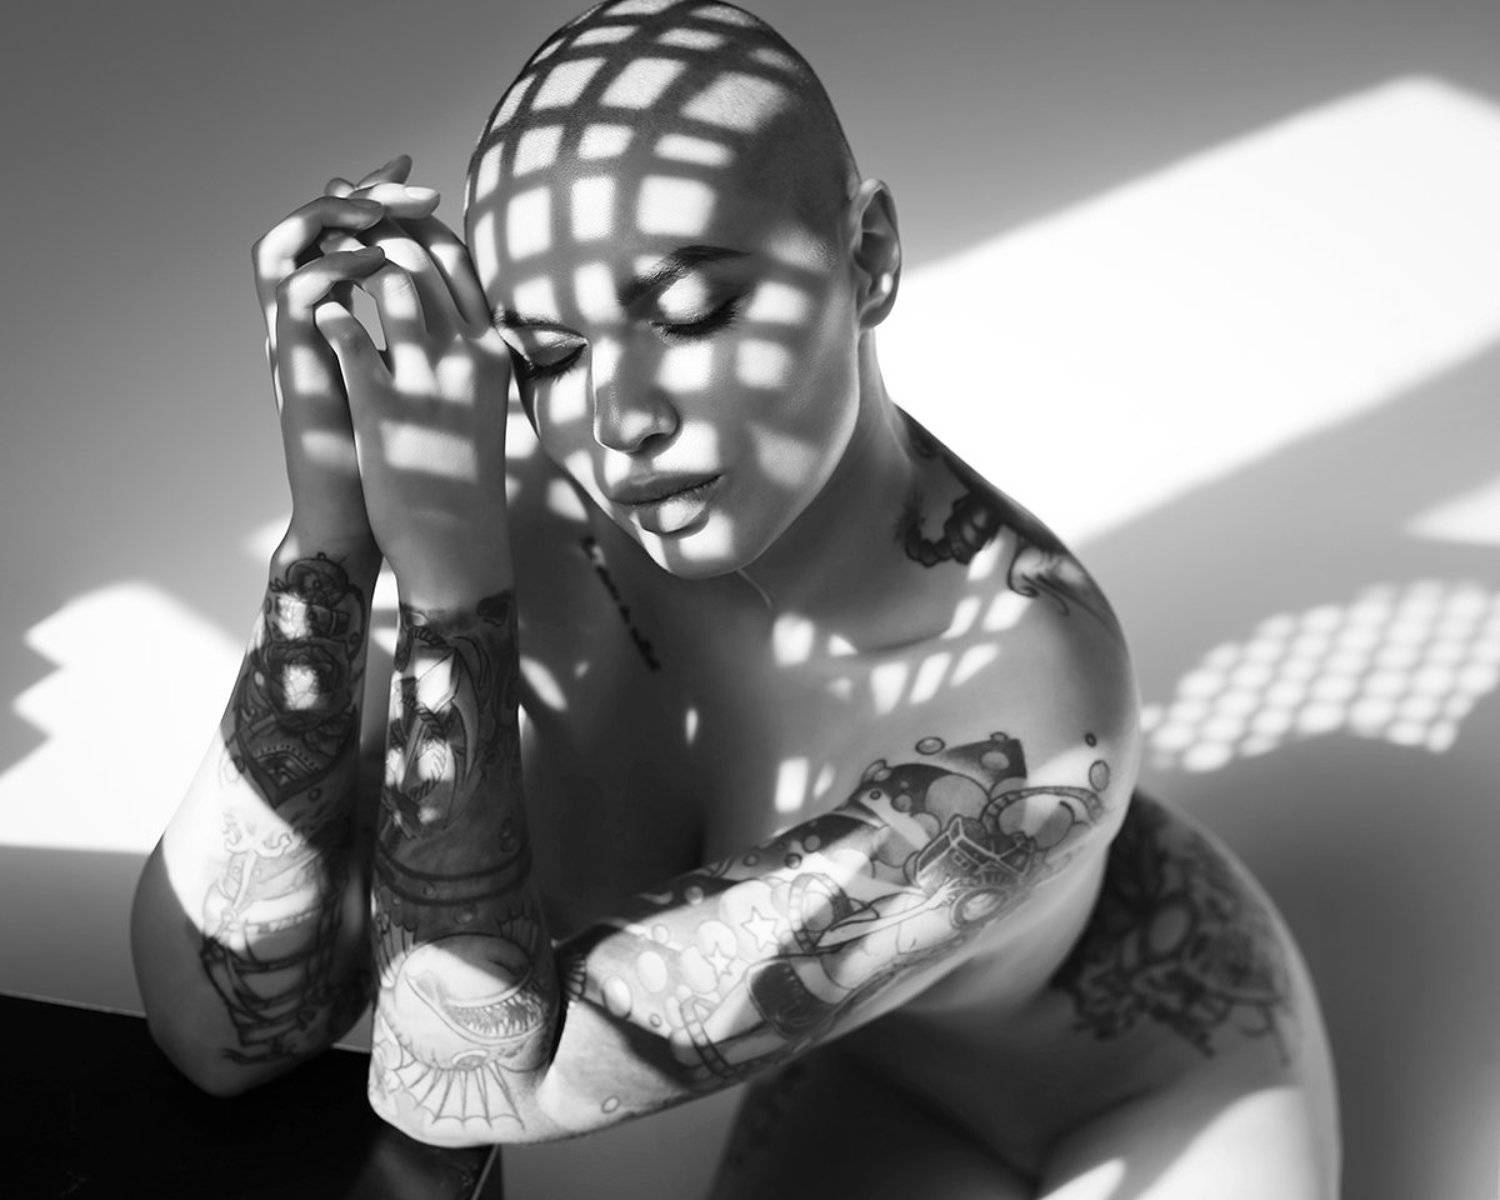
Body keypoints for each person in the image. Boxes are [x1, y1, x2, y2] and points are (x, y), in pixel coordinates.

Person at [131, 1, 1339, 1195]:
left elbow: (460, 1085)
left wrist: (450, 590)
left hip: (1153, 1090)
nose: (621, 420)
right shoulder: (531, 520)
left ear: (869, 255)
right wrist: (332, 541)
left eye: (692, 313)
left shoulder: (1026, 713)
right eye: (551, 355)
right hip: (874, 1072)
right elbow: (219, 1031)